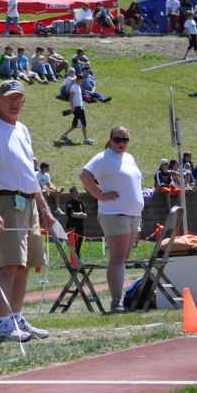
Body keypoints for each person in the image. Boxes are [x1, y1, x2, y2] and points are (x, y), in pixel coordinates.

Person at [0, 80, 54, 343]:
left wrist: (44, 208)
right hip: (6, 202)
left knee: (24, 266)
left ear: (24, 101)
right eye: (9, 98)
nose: (14, 102)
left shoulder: (23, 130)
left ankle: (16, 316)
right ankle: (2, 323)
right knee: (8, 265)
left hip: (28, 202)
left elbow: (29, 174)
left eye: (18, 98)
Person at [79, 126, 143, 313]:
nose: (122, 143)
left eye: (125, 139)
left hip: (133, 214)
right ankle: (116, 301)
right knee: (117, 257)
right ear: (111, 139)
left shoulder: (129, 158)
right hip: (114, 213)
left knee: (124, 257)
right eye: (117, 139)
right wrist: (100, 195)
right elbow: (84, 176)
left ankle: (119, 299)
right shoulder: (103, 157)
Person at [60, 73, 94, 145]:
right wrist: (72, 108)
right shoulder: (74, 87)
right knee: (83, 123)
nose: (83, 81)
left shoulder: (78, 86)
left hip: (80, 108)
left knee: (75, 124)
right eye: (82, 80)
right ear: (78, 79)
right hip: (77, 108)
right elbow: (70, 98)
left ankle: (64, 135)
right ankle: (85, 139)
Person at [64, 186, 87, 256]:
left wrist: (80, 214)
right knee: (73, 242)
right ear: (71, 194)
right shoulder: (69, 203)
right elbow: (72, 214)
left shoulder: (81, 203)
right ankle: (73, 258)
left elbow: (85, 215)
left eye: (77, 191)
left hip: (80, 225)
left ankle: (77, 257)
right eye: (76, 192)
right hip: (72, 226)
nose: (78, 193)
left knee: (79, 241)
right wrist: (80, 214)